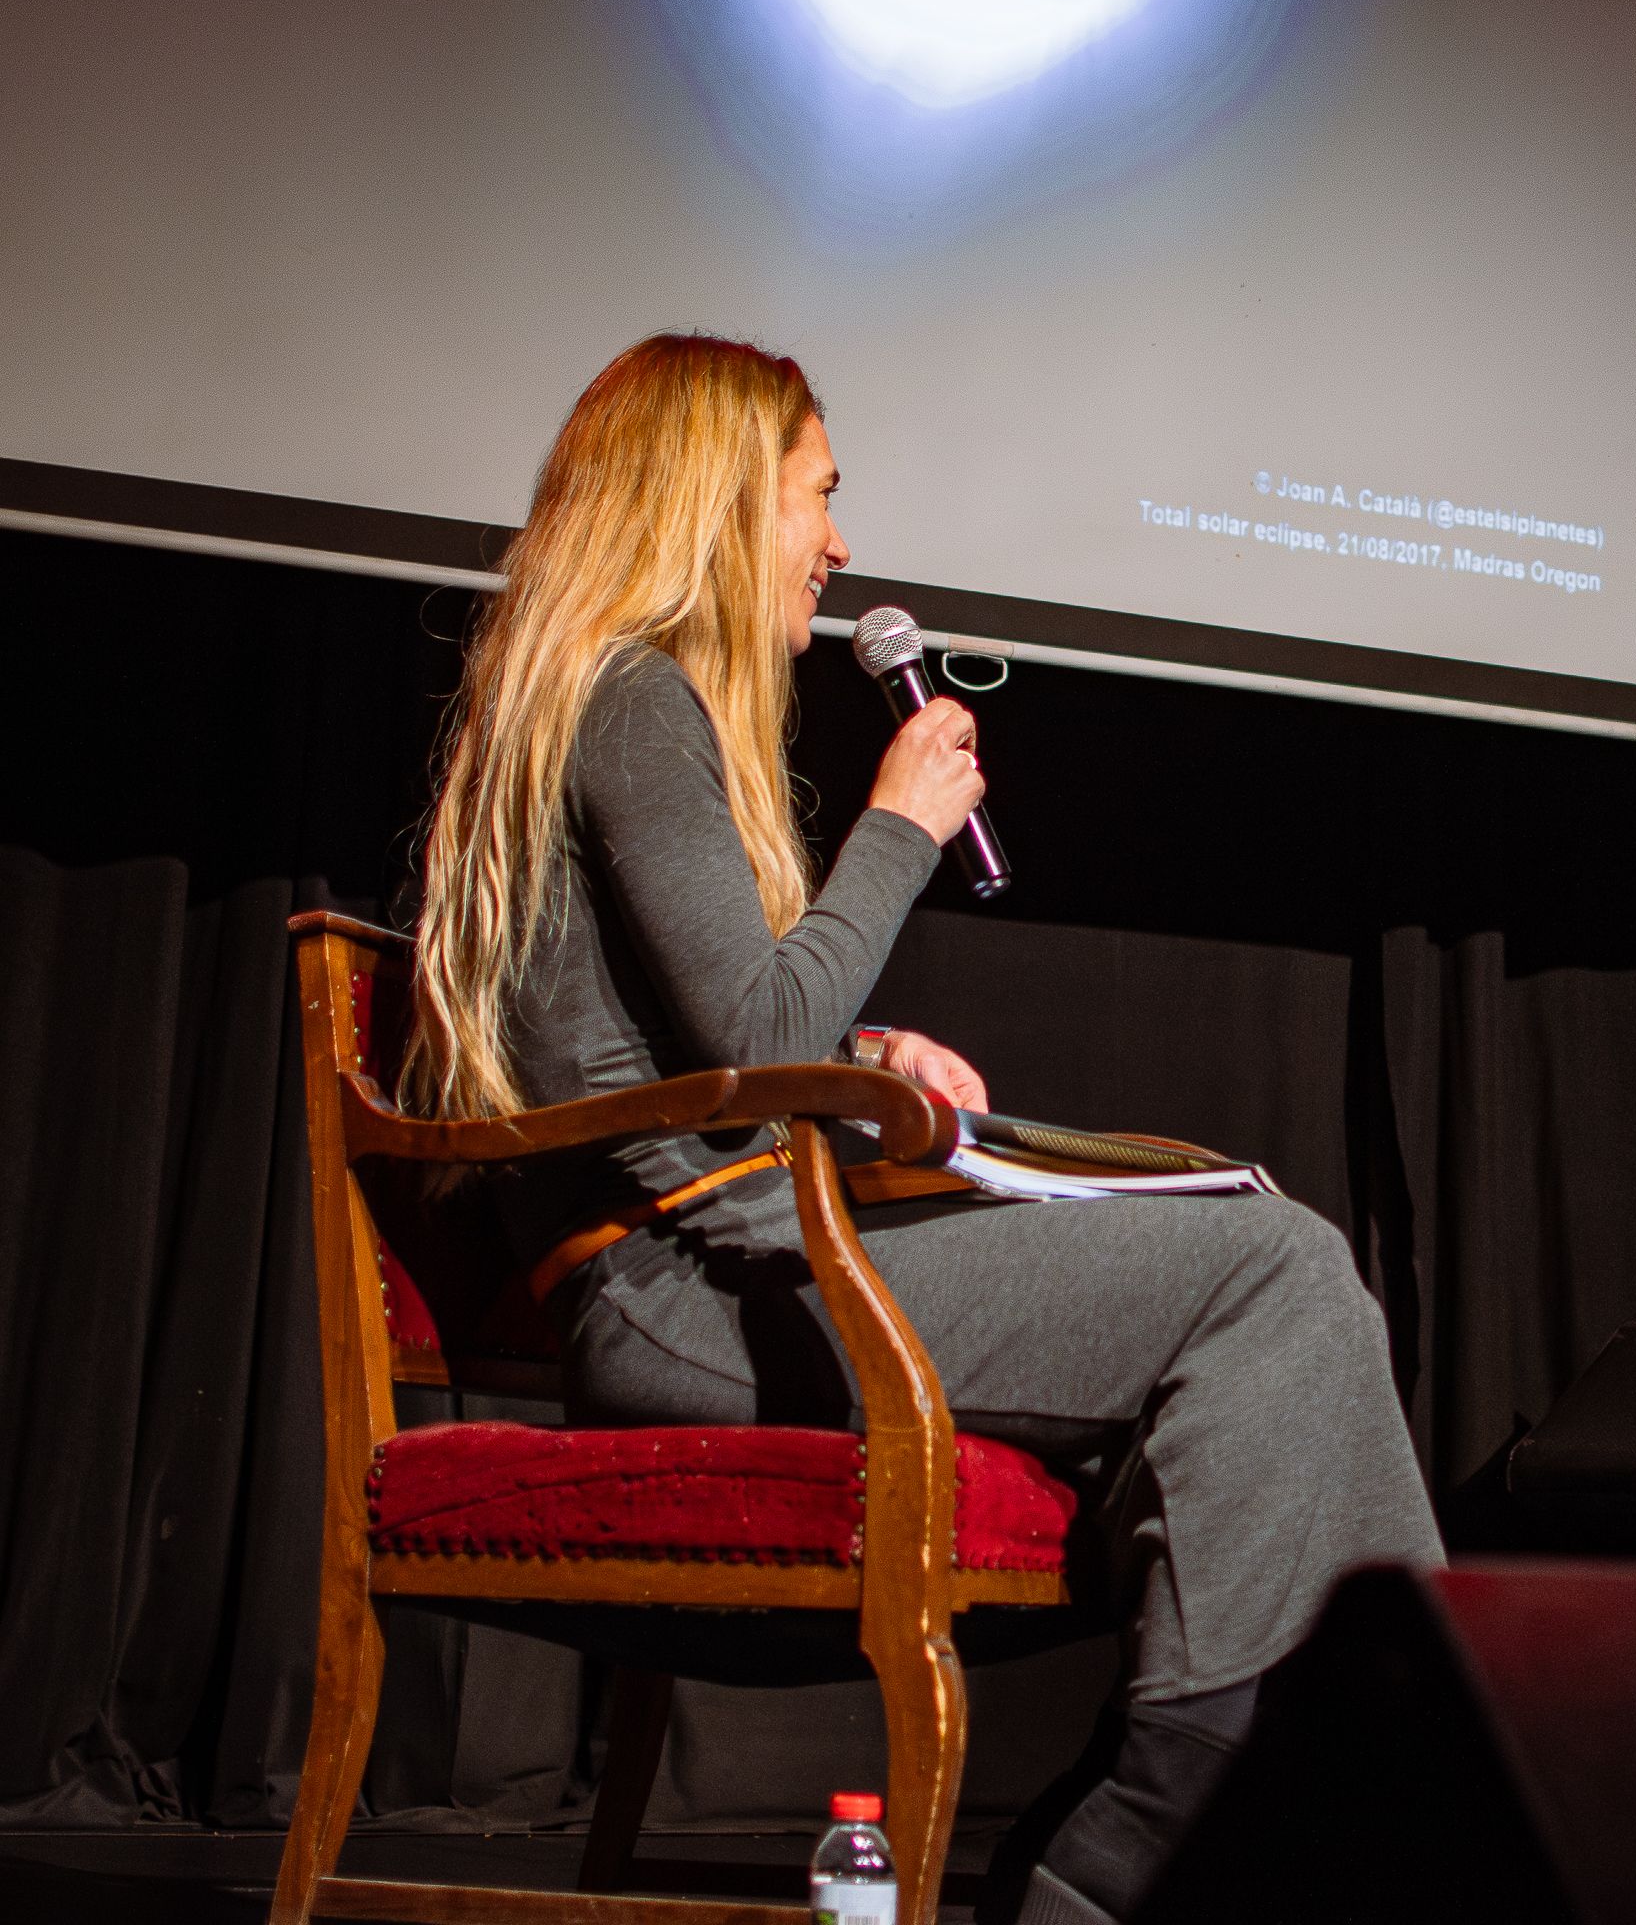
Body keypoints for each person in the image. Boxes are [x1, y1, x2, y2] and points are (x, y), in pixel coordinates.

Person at [403, 333, 1441, 1925]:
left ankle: (1231, 1817)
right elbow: (754, 1036)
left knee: (1243, 1268)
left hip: (742, 1263)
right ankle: (1210, 1829)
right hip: (700, 1299)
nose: (835, 542)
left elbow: (710, 1033)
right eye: (817, 497)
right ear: (716, 498)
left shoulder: (598, 696)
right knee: (1277, 1276)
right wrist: (900, 822)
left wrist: (865, 1044)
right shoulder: (631, 695)